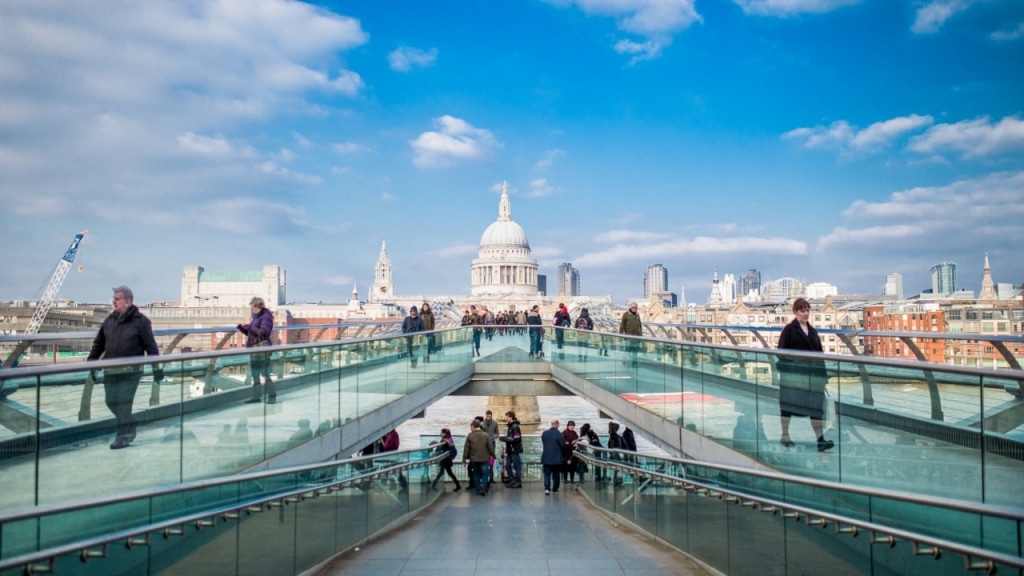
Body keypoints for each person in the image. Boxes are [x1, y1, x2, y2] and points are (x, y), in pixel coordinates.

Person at [87, 286, 161, 450]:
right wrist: (92, 364)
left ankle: (123, 436)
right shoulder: (109, 321)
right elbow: (98, 345)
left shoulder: (141, 322)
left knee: (123, 404)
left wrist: (157, 369)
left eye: (117, 299)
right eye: (113, 298)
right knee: (110, 401)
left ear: (128, 301)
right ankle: (131, 423)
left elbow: (151, 347)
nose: (114, 301)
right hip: (110, 370)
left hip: (131, 371)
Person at [777, 297, 834, 452]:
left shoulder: (813, 331)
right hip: (794, 377)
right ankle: (785, 435)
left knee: (815, 409)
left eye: (808, 310)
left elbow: (819, 355)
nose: (806, 313)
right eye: (802, 311)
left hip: (812, 378)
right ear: (795, 312)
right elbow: (781, 352)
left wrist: (823, 377)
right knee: (788, 407)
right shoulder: (789, 330)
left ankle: (820, 440)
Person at [237, 296, 276, 404]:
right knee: (255, 374)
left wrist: (250, 327)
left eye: (252, 307)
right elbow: (253, 333)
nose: (251, 310)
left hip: (262, 349)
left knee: (265, 374)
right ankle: (256, 396)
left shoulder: (266, 317)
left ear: (257, 307)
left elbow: (264, 332)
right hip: (254, 349)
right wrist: (243, 329)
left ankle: (272, 396)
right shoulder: (257, 317)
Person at [463, 420, 494, 496]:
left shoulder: (470, 436)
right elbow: (490, 447)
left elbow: (466, 448)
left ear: (473, 426)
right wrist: (493, 455)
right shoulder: (486, 435)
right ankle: (483, 484)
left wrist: (464, 459)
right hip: (484, 458)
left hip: (474, 458)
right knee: (485, 473)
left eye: (471, 426)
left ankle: (478, 489)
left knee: (476, 473)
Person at [541, 419, 568, 495]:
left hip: (546, 457)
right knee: (556, 475)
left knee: (547, 474)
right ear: (557, 424)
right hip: (556, 458)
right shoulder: (559, 434)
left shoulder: (545, 433)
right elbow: (563, 445)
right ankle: (555, 489)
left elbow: (544, 442)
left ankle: (547, 488)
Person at [503, 411, 523, 488]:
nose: (506, 418)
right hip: (510, 450)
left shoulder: (514, 426)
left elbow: (516, 438)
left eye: (507, 417)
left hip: (514, 450)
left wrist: (506, 439)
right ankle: (512, 480)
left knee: (516, 466)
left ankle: (518, 482)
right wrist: (506, 439)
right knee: (507, 466)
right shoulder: (510, 426)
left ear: (511, 417)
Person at [619, 302, 642, 367]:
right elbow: (622, 325)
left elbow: (640, 325)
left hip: (636, 337)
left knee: (635, 351)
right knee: (627, 350)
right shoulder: (626, 315)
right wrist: (621, 334)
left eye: (636, 308)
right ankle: (625, 362)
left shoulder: (637, 315)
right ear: (630, 308)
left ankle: (634, 364)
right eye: (633, 308)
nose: (635, 309)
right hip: (628, 336)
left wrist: (640, 335)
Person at [481, 410, 500, 482]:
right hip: (484, 444)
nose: (488, 417)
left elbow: (497, 433)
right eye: (487, 416)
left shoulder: (495, 423)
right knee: (484, 460)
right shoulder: (482, 423)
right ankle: (484, 477)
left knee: (491, 460)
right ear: (485, 415)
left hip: (492, 443)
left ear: (491, 416)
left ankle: (491, 478)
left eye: (489, 416)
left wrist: (492, 437)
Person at [561, 420, 579, 484]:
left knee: (573, 467)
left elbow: (577, 440)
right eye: (570, 426)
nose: (571, 427)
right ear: (568, 426)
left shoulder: (574, 433)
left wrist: (576, 444)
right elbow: (563, 442)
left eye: (572, 426)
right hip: (566, 452)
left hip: (573, 452)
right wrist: (570, 444)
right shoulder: (564, 433)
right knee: (565, 466)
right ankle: (565, 479)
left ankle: (572, 479)